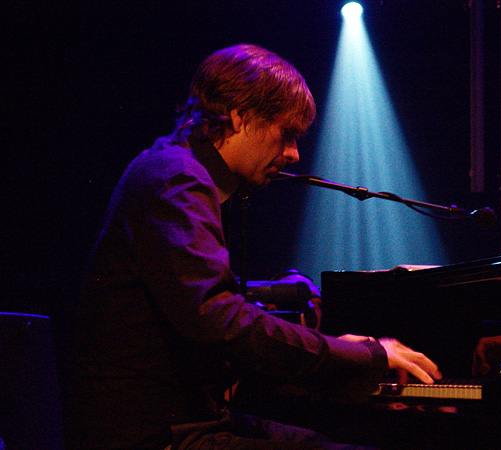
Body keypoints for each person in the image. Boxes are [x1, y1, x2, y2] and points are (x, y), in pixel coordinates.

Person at [66, 44, 442, 450]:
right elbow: (219, 320)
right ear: (239, 116)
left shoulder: (179, 172)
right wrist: (362, 357)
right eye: (286, 134)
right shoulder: (176, 178)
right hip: (152, 436)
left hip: (188, 421)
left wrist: (340, 356)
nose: (294, 154)